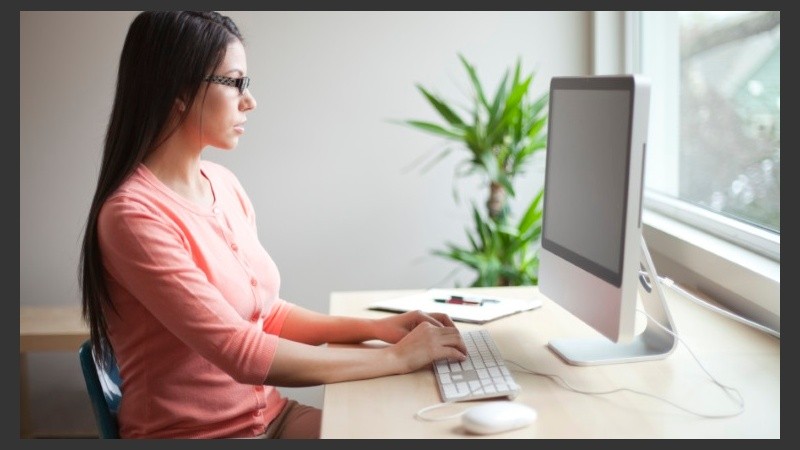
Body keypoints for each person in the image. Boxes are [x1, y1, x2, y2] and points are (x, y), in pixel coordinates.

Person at [79, 11, 467, 439]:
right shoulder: (133, 217)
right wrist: (397, 359)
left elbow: (266, 316)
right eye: (235, 82)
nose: (250, 101)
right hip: (200, 435)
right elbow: (240, 353)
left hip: (272, 419)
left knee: (415, 430)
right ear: (178, 91)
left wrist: (378, 329)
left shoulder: (223, 184)